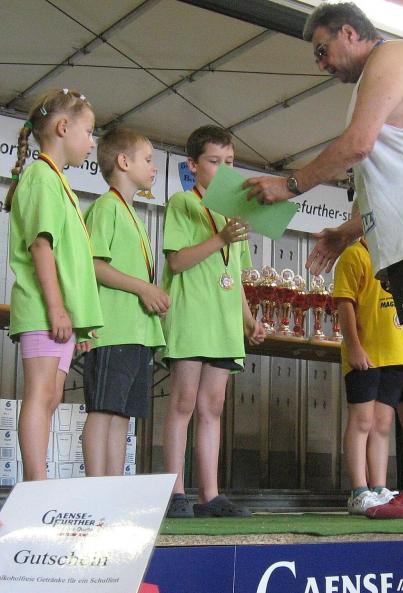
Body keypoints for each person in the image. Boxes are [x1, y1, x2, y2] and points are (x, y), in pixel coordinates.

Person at [244, 2, 403, 518]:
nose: (321, 63)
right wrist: (346, 232)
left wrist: (289, 186)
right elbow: (385, 172)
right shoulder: (375, 80)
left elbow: (357, 146)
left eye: (323, 50)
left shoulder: (393, 58)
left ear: (350, 32)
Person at [161, 125, 266, 518]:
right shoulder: (182, 203)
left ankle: (210, 495)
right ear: (193, 165)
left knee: (213, 406)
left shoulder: (233, 215)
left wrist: (249, 319)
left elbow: (234, 275)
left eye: (230, 162)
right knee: (183, 401)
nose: (224, 170)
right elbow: (177, 261)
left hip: (224, 323)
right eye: (214, 161)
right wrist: (220, 238)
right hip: (191, 316)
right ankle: (175, 491)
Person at [5, 89, 103, 481]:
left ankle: (39, 478)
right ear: (64, 127)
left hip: (57, 313)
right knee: (41, 393)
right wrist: (57, 307)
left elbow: (68, 259)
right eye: (89, 132)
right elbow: (41, 247)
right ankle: (35, 481)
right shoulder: (42, 177)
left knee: (52, 396)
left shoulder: (56, 181)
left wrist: (77, 319)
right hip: (43, 309)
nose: (92, 142)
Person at [82, 127, 169, 477]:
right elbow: (94, 265)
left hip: (137, 333)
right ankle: (95, 489)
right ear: (123, 161)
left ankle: (113, 489)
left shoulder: (133, 213)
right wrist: (143, 289)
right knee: (102, 410)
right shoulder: (106, 208)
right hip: (112, 330)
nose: (154, 167)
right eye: (147, 159)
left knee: (121, 415)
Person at [333, 238, 403, 514]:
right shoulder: (354, 255)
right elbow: (345, 304)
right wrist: (354, 346)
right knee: (362, 420)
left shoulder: (396, 255)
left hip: (396, 353)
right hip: (366, 353)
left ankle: (379, 487)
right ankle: (358, 490)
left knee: (383, 424)